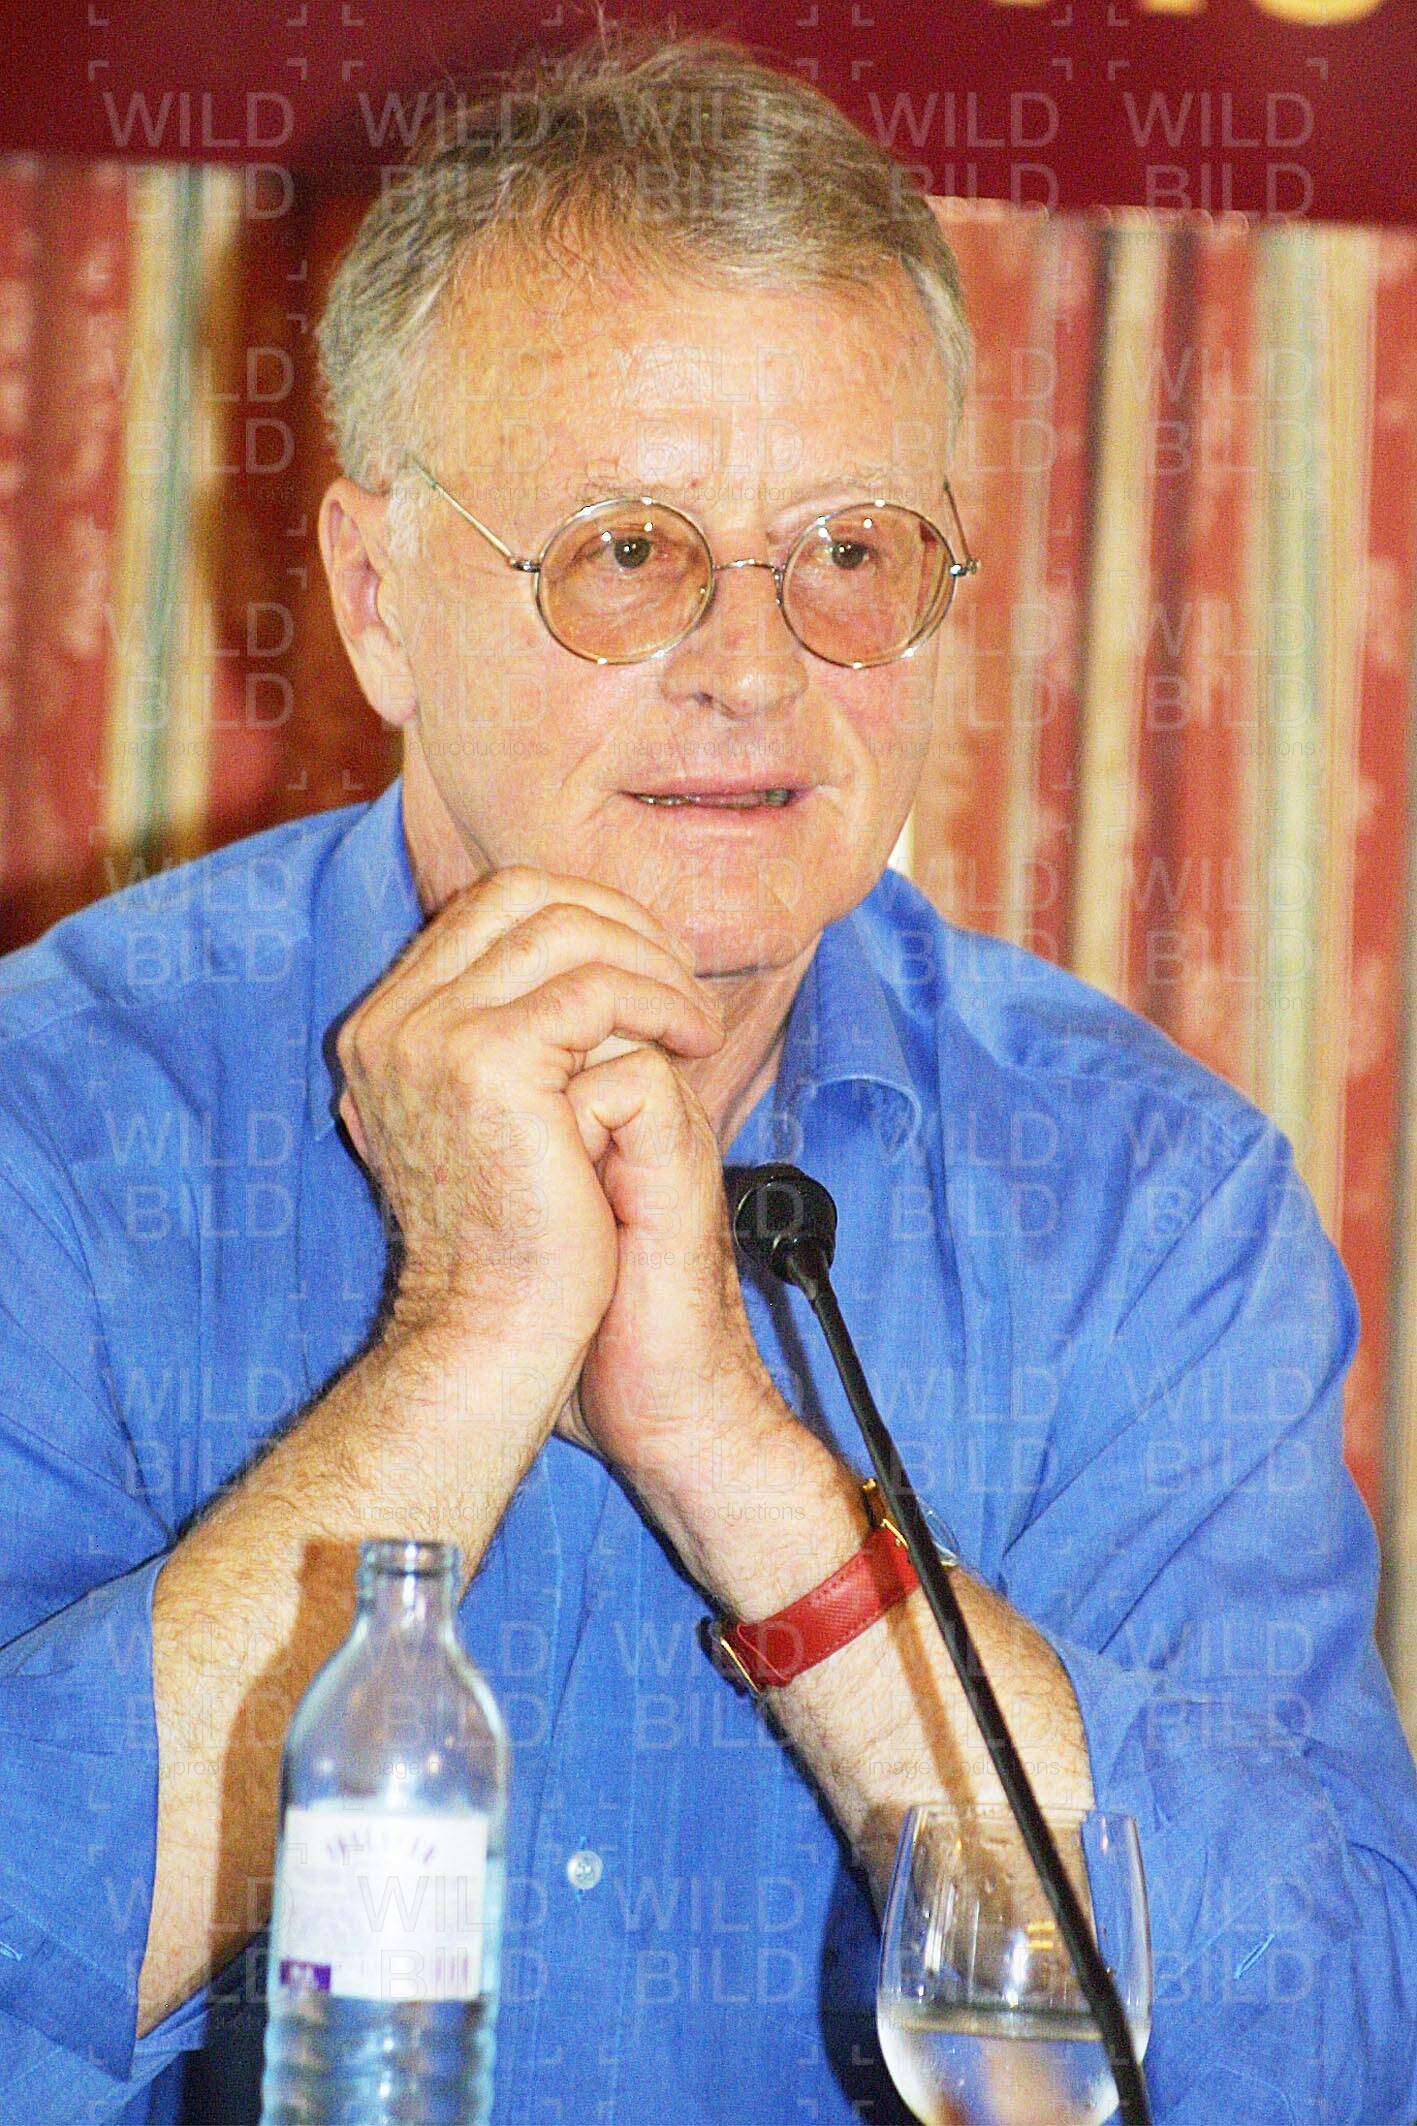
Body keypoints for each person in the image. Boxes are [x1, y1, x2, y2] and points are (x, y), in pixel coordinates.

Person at [1, 24, 1414, 2126]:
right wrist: (465, 1347)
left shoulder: (1146, 1202)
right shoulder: (57, 1119)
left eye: (847, 552)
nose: (754, 667)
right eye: (628, 551)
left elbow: (1325, 2055)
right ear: (376, 601)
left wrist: (736, 1465)